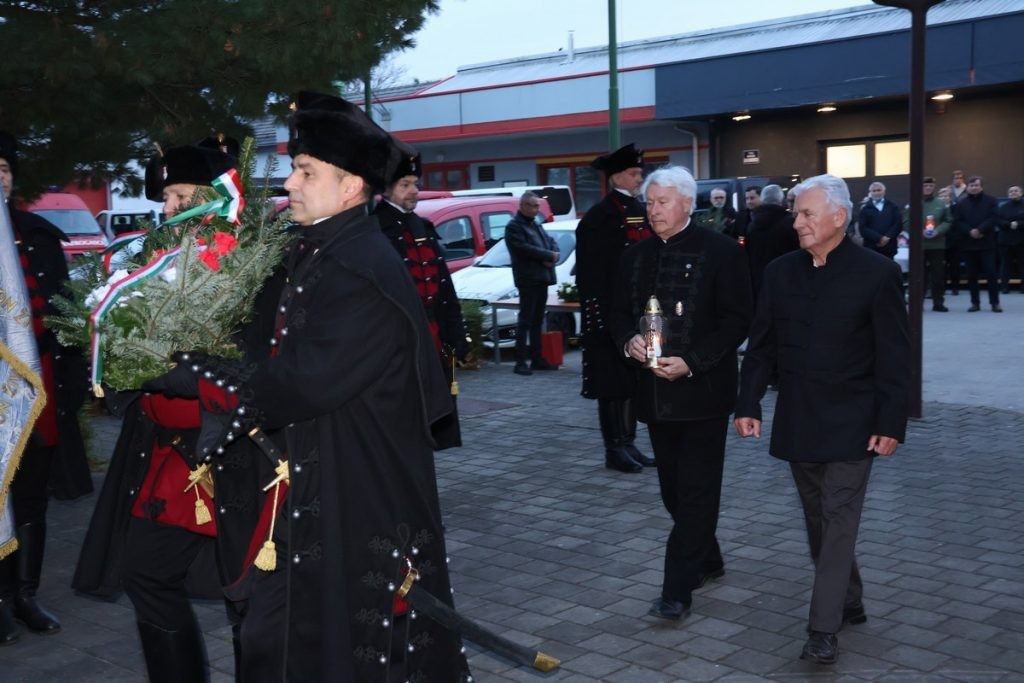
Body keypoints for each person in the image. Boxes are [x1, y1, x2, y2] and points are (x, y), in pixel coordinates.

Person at [145, 91, 472, 681]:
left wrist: (196, 375)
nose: (290, 183)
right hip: (320, 477)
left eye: (305, 171)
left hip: (361, 490)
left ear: (350, 186)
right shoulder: (321, 247)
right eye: (295, 168)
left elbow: (303, 379)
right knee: (290, 638)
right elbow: (265, 340)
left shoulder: (360, 268)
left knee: (349, 644)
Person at [72, 135, 269, 682]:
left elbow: (259, 370)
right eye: (167, 198)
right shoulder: (159, 259)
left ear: (213, 195)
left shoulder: (257, 262)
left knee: (247, 597)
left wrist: (184, 374)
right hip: (166, 458)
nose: (167, 209)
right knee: (146, 574)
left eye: (179, 196)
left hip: (236, 463)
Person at [734, 174, 910, 665]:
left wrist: (891, 422)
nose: (797, 222)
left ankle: (822, 629)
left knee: (838, 518)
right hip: (799, 419)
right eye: (796, 213)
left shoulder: (876, 273)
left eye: (807, 214)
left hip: (855, 422)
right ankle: (849, 596)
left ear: (838, 217)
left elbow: (895, 355)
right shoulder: (780, 272)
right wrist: (747, 405)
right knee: (819, 521)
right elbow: (761, 346)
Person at [610, 166, 752, 621]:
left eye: (663, 202)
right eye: (649, 202)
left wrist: (693, 361)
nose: (653, 211)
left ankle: (677, 590)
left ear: (688, 204)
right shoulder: (634, 257)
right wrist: (627, 340)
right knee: (673, 490)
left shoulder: (724, 252)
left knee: (696, 492)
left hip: (704, 395)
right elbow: (615, 313)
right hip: (653, 396)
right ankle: (707, 558)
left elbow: (737, 320)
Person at [0, 131, 89, 646]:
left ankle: (25, 595)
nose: (1, 177)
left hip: (38, 387)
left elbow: (66, 315)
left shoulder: (37, 234)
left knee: (32, 491)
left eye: (5, 168)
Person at [373, 141, 472, 449]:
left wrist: (458, 336)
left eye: (415, 183)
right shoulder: (374, 228)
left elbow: (444, 289)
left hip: (433, 336)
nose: (414, 190)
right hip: (400, 340)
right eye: (405, 184)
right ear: (386, 189)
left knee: (431, 418)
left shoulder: (423, 226)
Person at [575, 142, 654, 473]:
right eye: (634, 173)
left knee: (634, 383)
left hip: (639, 312)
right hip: (610, 314)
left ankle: (629, 442)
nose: (640, 178)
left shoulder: (642, 209)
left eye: (639, 172)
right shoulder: (600, 217)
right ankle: (614, 447)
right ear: (617, 176)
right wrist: (603, 318)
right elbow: (592, 274)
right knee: (612, 384)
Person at [505, 191, 559, 376]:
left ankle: (537, 359)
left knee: (537, 320)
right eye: (534, 206)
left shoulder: (535, 225)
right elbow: (522, 248)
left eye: (538, 206)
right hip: (528, 279)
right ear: (523, 206)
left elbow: (551, 243)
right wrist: (546, 256)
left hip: (541, 278)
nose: (537, 210)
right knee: (525, 320)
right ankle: (520, 361)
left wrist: (552, 255)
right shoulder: (514, 226)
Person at [952, 176, 1001, 312]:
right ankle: (975, 303)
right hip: (968, 244)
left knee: (991, 274)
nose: (974, 188)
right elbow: (957, 221)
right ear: (968, 187)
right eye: (971, 185)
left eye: (977, 185)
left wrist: (980, 230)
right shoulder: (961, 204)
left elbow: (994, 217)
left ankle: (994, 303)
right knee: (971, 275)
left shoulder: (991, 201)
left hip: (986, 243)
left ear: (981, 187)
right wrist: (970, 231)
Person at [905, 176, 952, 311]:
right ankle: (917, 304)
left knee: (938, 276)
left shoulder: (941, 203)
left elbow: (948, 220)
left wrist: (938, 230)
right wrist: (919, 232)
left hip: (937, 245)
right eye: (925, 186)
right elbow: (906, 222)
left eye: (930, 186)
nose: (928, 188)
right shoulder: (913, 203)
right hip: (919, 246)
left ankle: (938, 303)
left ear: (934, 187)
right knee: (919, 276)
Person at [745, 184, 799, 303]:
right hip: (786, 279)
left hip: (759, 280)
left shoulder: (752, 225)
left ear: (763, 200)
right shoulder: (790, 223)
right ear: (781, 200)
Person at [857, 181, 902, 259]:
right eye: (874, 191)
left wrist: (887, 237)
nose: (876, 193)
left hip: (889, 247)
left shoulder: (893, 206)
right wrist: (879, 238)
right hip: (871, 248)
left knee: (889, 270)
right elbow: (863, 228)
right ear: (870, 193)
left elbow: (898, 224)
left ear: (884, 191)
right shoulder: (865, 209)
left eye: (879, 190)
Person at [996, 185, 1023, 294]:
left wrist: (1019, 224)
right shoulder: (1002, 207)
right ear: (1008, 194)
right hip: (1005, 241)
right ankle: (1004, 287)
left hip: (1022, 240)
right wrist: (1009, 224)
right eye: (1011, 191)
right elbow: (997, 220)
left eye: (1016, 190)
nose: (1013, 192)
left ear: (1021, 193)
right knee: (1005, 264)